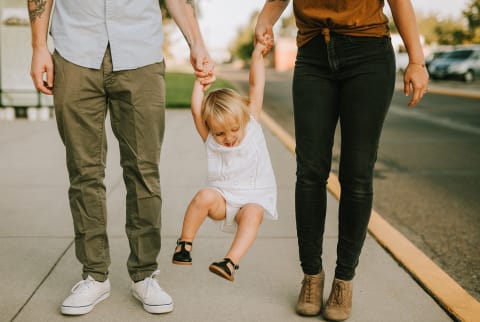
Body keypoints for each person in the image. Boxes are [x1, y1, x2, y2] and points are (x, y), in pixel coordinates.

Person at [28, 0, 214, 316]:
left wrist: (196, 42)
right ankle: (94, 274)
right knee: (83, 171)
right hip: (75, 51)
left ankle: (145, 274)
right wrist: (38, 47)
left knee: (144, 170)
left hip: (141, 54)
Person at [255, 0, 429, 320]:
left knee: (357, 173)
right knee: (309, 170)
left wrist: (416, 60)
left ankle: (343, 280)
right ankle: (311, 275)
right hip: (312, 55)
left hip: (368, 53)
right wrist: (264, 20)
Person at [171, 41, 278, 282]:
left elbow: (255, 85)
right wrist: (201, 82)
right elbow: (197, 111)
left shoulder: (251, 127)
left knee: (254, 214)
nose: (228, 138)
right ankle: (184, 245)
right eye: (220, 133)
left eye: (233, 130)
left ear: (243, 120)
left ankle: (230, 262)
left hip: (253, 197)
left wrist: (257, 55)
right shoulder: (211, 139)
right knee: (203, 196)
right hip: (224, 199)